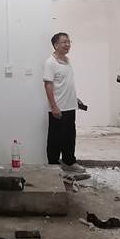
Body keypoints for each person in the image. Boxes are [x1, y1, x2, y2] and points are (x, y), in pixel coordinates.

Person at [43, 32, 87, 173]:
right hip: (58, 108)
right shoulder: (50, 62)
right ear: (56, 45)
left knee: (69, 137)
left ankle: (69, 162)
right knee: (55, 139)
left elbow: (66, 84)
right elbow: (48, 85)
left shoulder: (67, 61)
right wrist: (54, 107)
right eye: (64, 42)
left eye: (69, 42)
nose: (68, 44)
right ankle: (53, 166)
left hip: (70, 106)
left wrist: (75, 99)